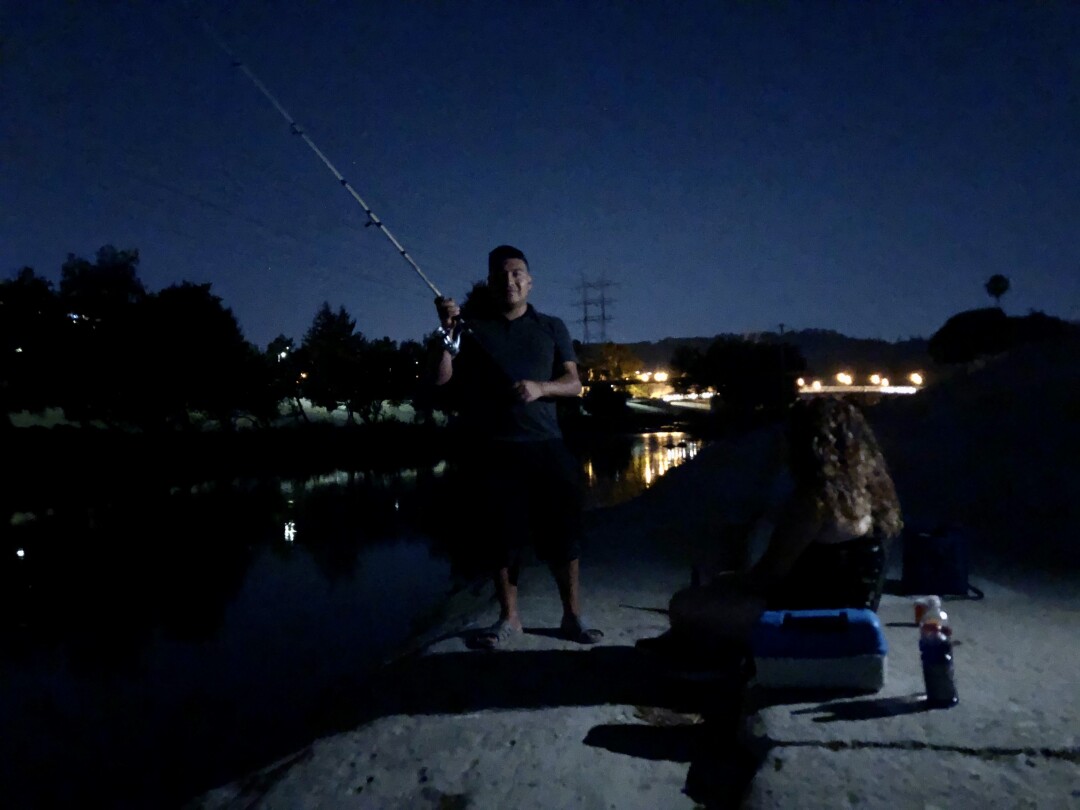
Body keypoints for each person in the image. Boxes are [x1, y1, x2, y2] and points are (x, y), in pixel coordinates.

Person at [639, 396, 903, 660]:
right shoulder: (866, 494)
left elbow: (767, 577)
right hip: (845, 616)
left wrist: (727, 581)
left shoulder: (814, 500)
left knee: (684, 604)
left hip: (802, 622)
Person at [433, 244, 603, 649]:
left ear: (529, 281)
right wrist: (446, 331)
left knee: (565, 536)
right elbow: (440, 380)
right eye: (501, 275)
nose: (509, 281)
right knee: (501, 539)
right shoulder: (469, 329)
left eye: (516, 274)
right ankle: (509, 619)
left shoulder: (552, 326)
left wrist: (540, 388)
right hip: (494, 450)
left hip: (547, 445)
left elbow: (574, 384)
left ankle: (572, 616)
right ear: (490, 282)